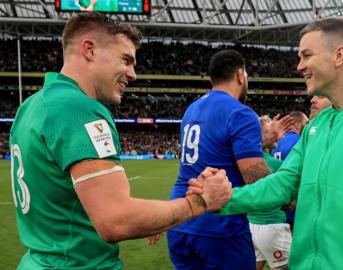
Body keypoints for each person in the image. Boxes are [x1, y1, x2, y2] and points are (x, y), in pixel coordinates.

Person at [189, 17, 343, 269]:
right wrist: (224, 198)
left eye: (306, 55)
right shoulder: (315, 127)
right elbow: (281, 184)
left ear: (339, 55)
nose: (299, 66)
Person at [9, 12, 232, 269]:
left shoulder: (31, 107)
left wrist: (151, 217)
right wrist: (201, 201)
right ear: (89, 50)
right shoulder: (78, 109)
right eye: (126, 60)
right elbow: (116, 220)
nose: (133, 74)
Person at [167, 49, 273, 270]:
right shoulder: (241, 113)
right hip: (219, 226)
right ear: (240, 74)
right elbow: (255, 178)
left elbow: (217, 149)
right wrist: (288, 184)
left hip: (181, 218)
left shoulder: (191, 109)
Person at [248, 115, 292, 270]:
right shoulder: (272, 163)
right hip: (272, 226)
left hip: (253, 225)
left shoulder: (248, 160)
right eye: (269, 128)